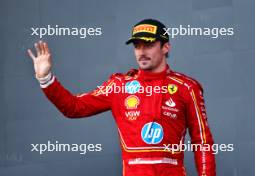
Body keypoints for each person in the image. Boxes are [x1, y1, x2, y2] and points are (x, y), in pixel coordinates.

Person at [27, 19, 216, 176]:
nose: (141, 51)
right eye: (137, 45)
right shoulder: (119, 86)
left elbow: (203, 142)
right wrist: (46, 79)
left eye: (148, 45)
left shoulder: (187, 87)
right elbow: (74, 107)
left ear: (166, 47)